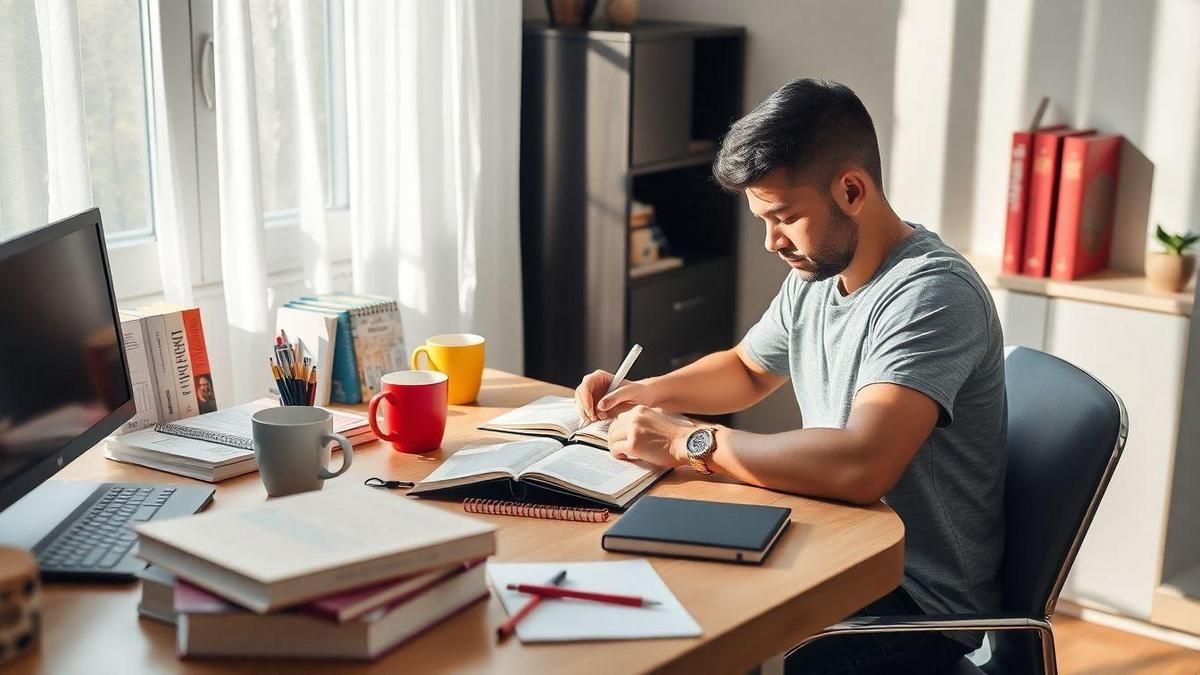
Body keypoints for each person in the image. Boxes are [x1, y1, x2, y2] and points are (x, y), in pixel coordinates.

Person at [575, 78, 1006, 674]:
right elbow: (748, 370)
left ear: (852, 190)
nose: (772, 242)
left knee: (721, 636)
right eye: (762, 219)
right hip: (833, 544)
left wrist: (685, 441)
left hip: (910, 603)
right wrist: (645, 392)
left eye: (784, 218)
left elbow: (862, 466)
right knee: (658, 595)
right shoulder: (819, 273)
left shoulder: (932, 296)